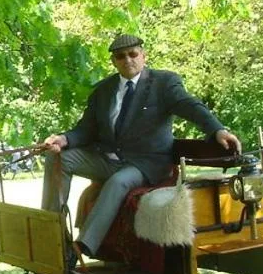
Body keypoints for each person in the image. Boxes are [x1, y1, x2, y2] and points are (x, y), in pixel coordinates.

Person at [40, 33, 240, 259]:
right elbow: (86, 129)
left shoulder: (164, 83)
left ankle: (81, 247)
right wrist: (63, 139)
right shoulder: (103, 90)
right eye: (120, 56)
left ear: (144, 56)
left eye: (133, 54)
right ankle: (52, 234)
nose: (128, 59)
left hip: (146, 164)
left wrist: (217, 130)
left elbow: (190, 106)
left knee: (118, 182)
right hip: (108, 159)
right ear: (114, 61)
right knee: (58, 158)